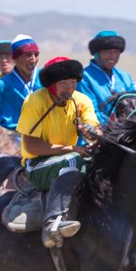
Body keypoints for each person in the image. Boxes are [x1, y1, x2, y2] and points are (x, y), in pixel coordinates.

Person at [16, 57, 100, 248]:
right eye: (63, 83)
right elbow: (31, 147)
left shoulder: (82, 100)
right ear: (51, 85)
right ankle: (52, 224)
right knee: (74, 161)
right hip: (37, 164)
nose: (69, 88)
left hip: (69, 158)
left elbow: (95, 131)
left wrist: (91, 133)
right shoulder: (34, 101)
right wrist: (72, 148)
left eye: (73, 83)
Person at [0, 34, 41, 150]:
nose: (33, 59)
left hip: (51, 140)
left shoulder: (49, 79)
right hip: (14, 141)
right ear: (16, 59)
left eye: (36, 55)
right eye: (28, 55)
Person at [77, 30, 133, 125]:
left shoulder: (125, 77)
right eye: (107, 52)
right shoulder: (84, 77)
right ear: (96, 53)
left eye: (116, 52)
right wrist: (115, 129)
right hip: (96, 134)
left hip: (124, 133)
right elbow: (90, 110)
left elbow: (133, 105)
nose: (112, 56)